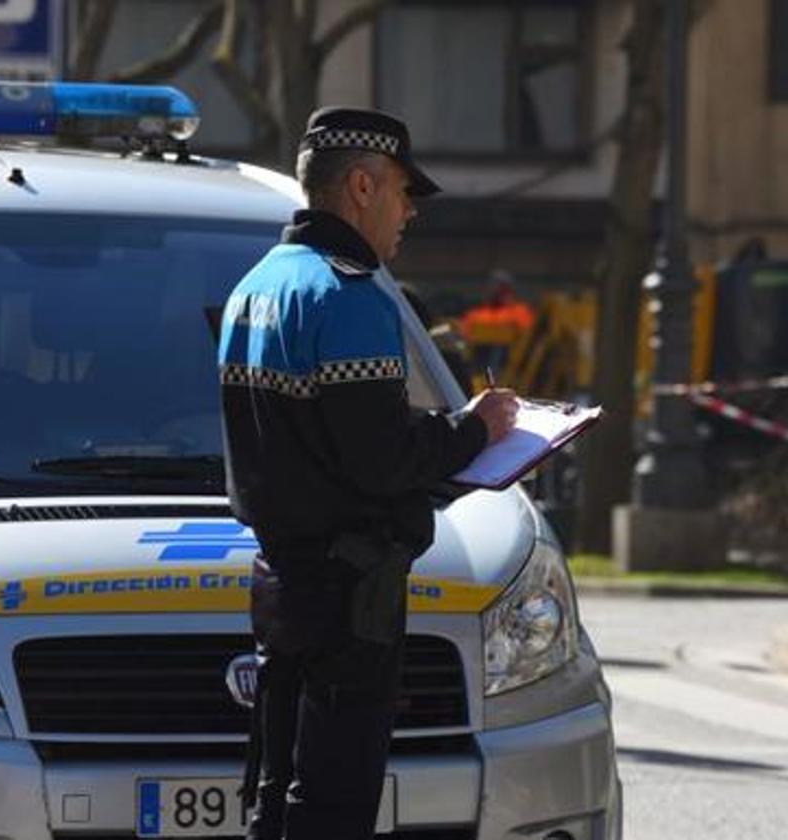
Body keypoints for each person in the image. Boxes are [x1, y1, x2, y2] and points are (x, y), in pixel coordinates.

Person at [217, 107, 518, 840]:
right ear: (361, 186)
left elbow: (320, 439)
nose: (409, 210)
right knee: (333, 804)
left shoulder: (256, 285)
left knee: (276, 794)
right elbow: (381, 459)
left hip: (283, 583)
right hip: (350, 595)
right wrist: (477, 429)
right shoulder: (347, 293)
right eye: (402, 192)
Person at [458, 268, 536, 382]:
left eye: (500, 286)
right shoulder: (476, 314)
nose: (495, 290)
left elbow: (527, 342)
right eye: (493, 286)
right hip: (478, 370)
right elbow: (464, 336)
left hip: (509, 372)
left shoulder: (520, 313)